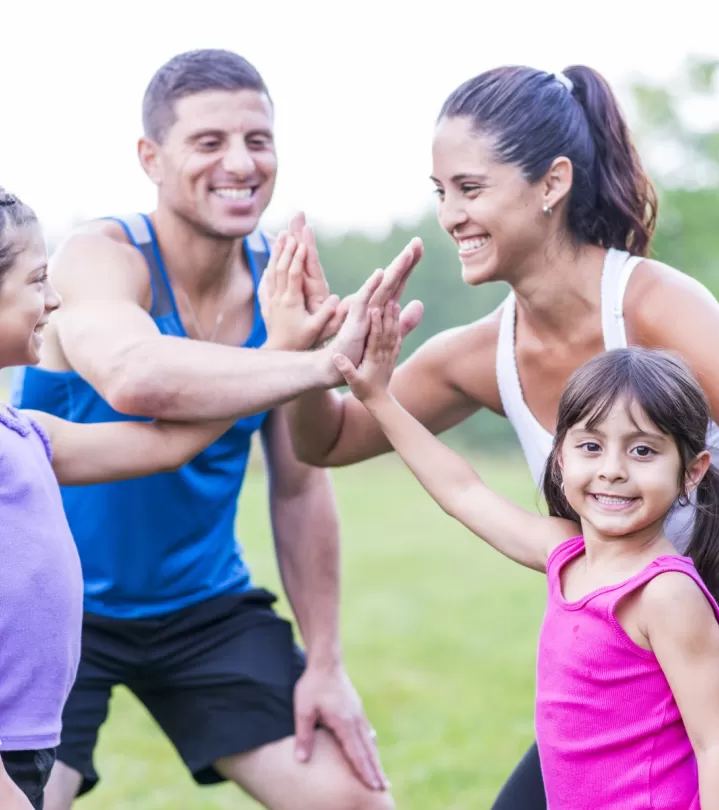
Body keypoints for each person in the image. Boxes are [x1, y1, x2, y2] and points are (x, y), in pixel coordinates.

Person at [267, 65, 719, 809]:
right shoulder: (479, 354)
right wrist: (301, 361)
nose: (450, 214)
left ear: (551, 184)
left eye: (470, 188)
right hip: (637, 676)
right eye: (440, 193)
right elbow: (328, 440)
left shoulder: (658, 309)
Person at [11, 49, 420, 810]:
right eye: (209, 142)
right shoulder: (99, 258)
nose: (240, 162)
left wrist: (325, 660)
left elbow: (301, 483)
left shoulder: (282, 279)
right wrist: (308, 361)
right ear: (151, 157)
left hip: (200, 607)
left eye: (258, 140)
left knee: (357, 800)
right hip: (57, 609)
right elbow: (135, 375)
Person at [335, 305, 719, 808]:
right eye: (591, 446)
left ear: (691, 470)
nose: (612, 470)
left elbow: (718, 745)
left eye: (642, 451)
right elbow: (463, 491)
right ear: (561, 456)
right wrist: (378, 399)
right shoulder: (565, 554)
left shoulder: (665, 594)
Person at [0, 187, 308, 809]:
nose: (55, 300)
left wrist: (287, 356)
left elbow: (167, 446)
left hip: (26, 741)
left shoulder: (25, 435)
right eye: (37, 281)